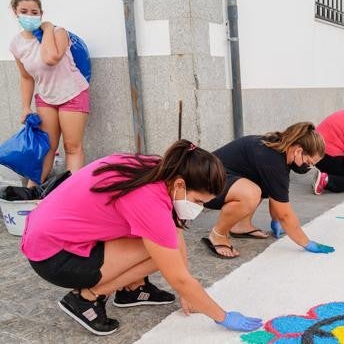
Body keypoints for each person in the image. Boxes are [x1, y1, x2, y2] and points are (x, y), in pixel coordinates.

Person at [21, 139, 263, 335]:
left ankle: (132, 289)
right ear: (180, 184)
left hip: (49, 236)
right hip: (54, 257)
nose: (199, 209)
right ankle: (86, 299)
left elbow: (173, 233)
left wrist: (187, 292)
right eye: (199, 201)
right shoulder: (149, 199)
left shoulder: (159, 168)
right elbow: (176, 274)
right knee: (157, 251)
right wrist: (222, 316)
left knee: (162, 242)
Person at [203, 122, 335, 259]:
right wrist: (306, 243)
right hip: (203, 185)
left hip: (218, 177)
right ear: (298, 151)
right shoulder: (273, 161)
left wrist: (275, 219)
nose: (307, 168)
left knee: (260, 185)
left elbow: (277, 195)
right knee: (251, 193)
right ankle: (217, 235)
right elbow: (285, 214)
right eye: (308, 163)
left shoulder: (279, 149)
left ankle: (241, 226)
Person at [9, 0, 90, 186]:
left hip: (73, 93)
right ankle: (31, 192)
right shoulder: (16, 44)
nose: (29, 16)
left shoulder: (58, 32)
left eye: (34, 12)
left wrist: (47, 28)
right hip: (46, 97)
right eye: (24, 12)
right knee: (47, 148)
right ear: (15, 13)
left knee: (72, 146)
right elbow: (26, 77)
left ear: (41, 14)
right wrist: (25, 107)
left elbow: (51, 57)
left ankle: (73, 193)